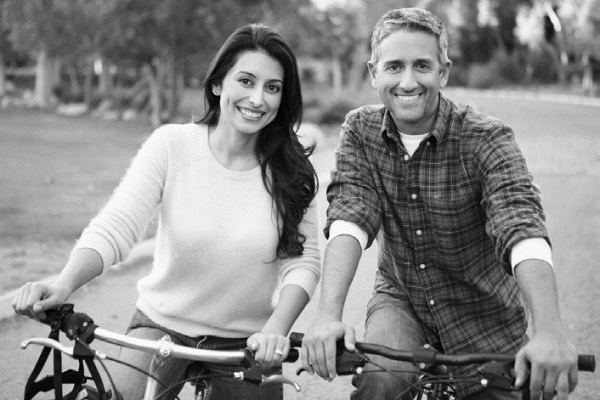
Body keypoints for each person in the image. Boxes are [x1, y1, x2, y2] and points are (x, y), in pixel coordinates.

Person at [13, 23, 321, 400]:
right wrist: (62, 284)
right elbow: (117, 226)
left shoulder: (292, 171)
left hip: (249, 339)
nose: (258, 99)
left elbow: (302, 261)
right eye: (246, 81)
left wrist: (277, 327)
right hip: (163, 326)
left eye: (272, 88)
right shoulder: (171, 145)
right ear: (217, 84)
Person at [300, 7, 578, 400]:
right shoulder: (359, 130)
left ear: (443, 72)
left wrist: (549, 330)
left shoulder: (487, 138)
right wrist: (327, 316)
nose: (408, 81)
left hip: (483, 312)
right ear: (374, 72)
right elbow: (351, 215)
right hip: (401, 300)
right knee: (382, 381)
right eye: (394, 66)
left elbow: (521, 228)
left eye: (422, 66)